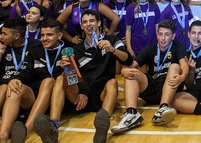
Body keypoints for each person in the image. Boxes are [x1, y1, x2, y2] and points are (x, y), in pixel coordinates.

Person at [34, 10, 133, 143]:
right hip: (80, 97)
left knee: (112, 83)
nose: (88, 24)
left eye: (91, 21)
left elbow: (128, 60)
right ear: (81, 26)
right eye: (85, 22)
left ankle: (102, 126)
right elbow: (74, 76)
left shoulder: (111, 40)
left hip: (102, 95)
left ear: (98, 23)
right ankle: (53, 126)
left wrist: (113, 50)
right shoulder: (76, 48)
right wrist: (67, 68)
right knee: (61, 77)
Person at [111, 20, 188, 134]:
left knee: (175, 66)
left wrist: (182, 78)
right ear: (156, 35)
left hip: (171, 86)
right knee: (132, 73)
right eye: (160, 34)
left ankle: (163, 108)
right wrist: (124, 71)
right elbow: (131, 66)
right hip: (153, 87)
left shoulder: (178, 46)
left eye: (167, 35)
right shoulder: (151, 48)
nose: (163, 38)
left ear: (173, 36)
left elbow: (184, 66)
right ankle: (132, 114)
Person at [0, 18, 42, 143]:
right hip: (4, 91)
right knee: (3, 88)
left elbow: (31, 73)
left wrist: (14, 79)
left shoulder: (35, 45)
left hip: (27, 94)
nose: (1, 36)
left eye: (4, 34)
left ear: (17, 35)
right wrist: (1, 51)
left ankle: (3, 135)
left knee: (16, 89)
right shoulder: (3, 47)